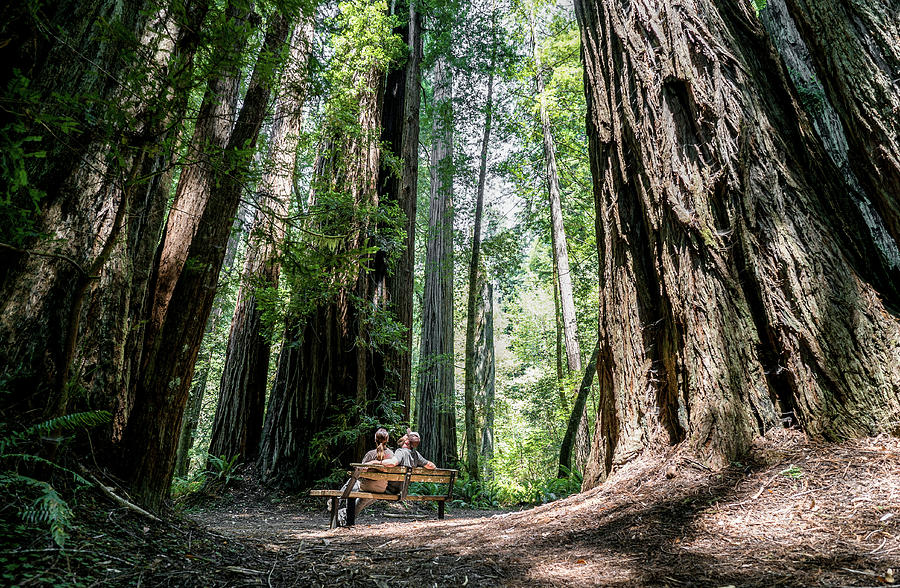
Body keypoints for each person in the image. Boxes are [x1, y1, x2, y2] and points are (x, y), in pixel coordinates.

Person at [334, 428, 398, 525]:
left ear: (375, 439)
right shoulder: (392, 455)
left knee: (352, 484)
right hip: (381, 488)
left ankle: (337, 499)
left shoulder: (371, 454)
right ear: (387, 440)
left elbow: (360, 471)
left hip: (366, 486)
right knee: (360, 500)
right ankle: (347, 520)